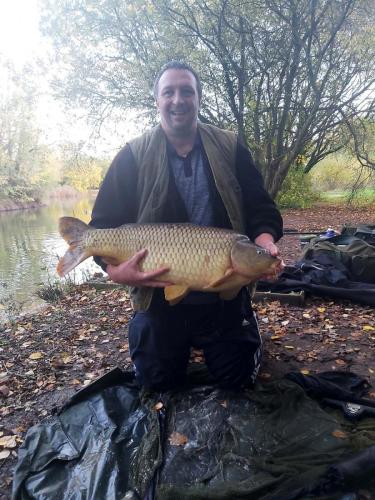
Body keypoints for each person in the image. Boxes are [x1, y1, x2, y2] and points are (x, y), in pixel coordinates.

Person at [90, 60, 283, 392]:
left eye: (186, 91)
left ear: (198, 98)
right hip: (158, 296)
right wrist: (117, 273)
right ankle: (168, 341)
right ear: (157, 100)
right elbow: (103, 225)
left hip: (224, 292)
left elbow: (260, 208)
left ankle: (235, 333)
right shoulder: (132, 155)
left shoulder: (230, 146)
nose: (178, 100)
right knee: (158, 382)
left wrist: (264, 244)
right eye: (169, 92)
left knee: (237, 380)